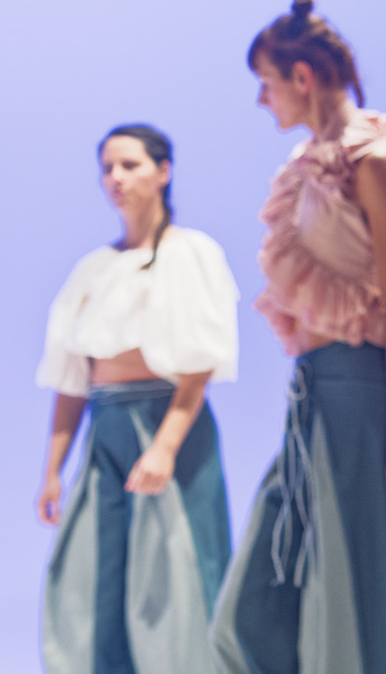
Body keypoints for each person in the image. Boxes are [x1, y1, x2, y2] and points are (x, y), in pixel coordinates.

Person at [210, 0, 386, 674]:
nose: (261, 99)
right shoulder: (305, 166)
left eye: (266, 83)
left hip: (369, 403)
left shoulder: (373, 157)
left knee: (366, 608)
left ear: (301, 77)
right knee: (252, 614)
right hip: (311, 405)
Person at [36, 124, 241, 674]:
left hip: (168, 420)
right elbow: (72, 381)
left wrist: (165, 448)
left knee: (173, 573)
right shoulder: (94, 268)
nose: (116, 178)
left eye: (130, 165)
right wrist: (53, 470)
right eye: (107, 168)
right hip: (106, 429)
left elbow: (198, 368)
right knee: (94, 572)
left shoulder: (191, 253)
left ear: (163, 171)